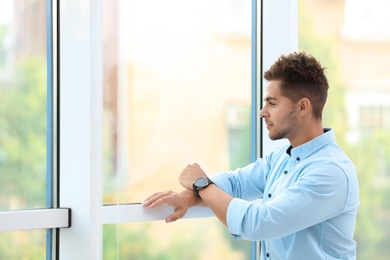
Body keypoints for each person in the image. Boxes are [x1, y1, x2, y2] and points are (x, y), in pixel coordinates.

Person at [142, 52, 360, 259]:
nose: (262, 112)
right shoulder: (283, 158)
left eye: (272, 103)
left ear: (303, 106)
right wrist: (189, 196)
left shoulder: (330, 172)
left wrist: (201, 184)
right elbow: (236, 182)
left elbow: (259, 223)